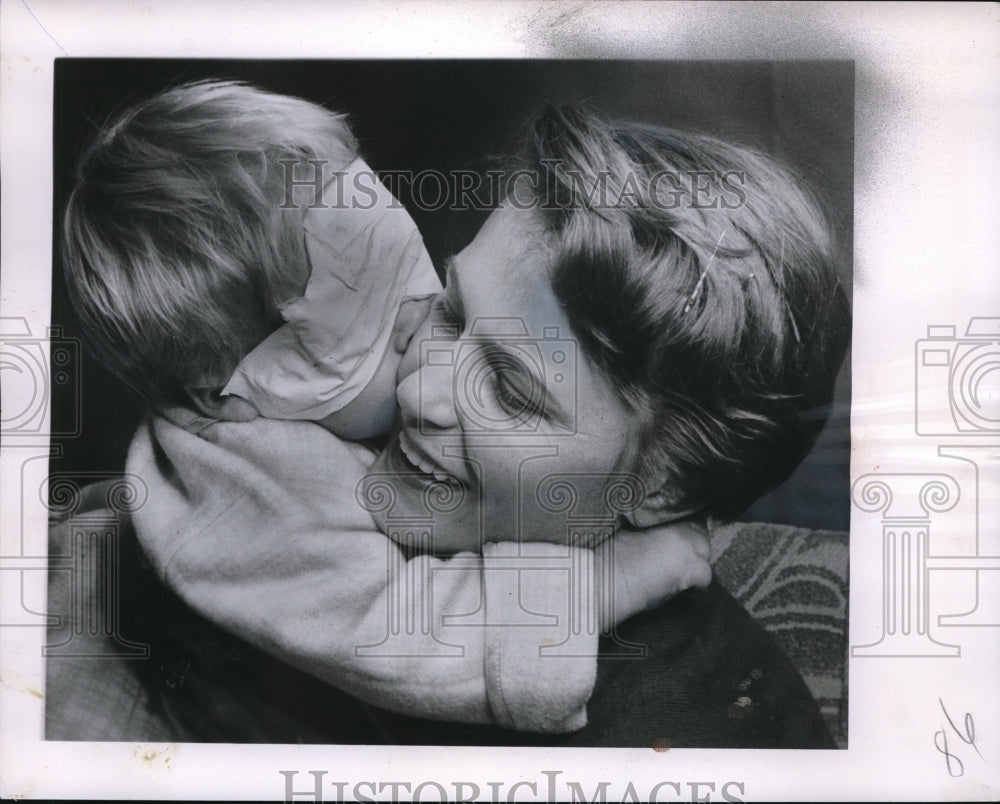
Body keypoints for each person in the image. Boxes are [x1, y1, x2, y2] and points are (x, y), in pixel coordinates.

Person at [119, 102, 847, 747]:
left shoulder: (683, 734)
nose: (420, 390)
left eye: (509, 387)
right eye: (450, 311)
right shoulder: (261, 474)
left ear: (663, 484)